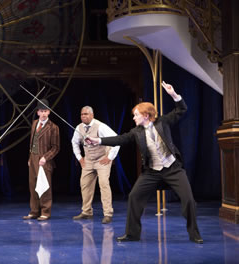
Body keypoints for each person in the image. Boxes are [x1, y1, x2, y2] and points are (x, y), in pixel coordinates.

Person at [86, 81, 203, 244]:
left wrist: (174, 95)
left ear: (146, 115)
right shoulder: (136, 132)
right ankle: (132, 234)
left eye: (136, 115)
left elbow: (181, 109)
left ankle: (194, 234)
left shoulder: (163, 122)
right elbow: (121, 139)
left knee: (189, 200)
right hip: (152, 172)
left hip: (172, 169)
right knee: (134, 196)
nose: (133, 117)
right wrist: (98, 140)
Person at [71, 106, 120, 224]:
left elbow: (116, 140)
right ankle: (86, 212)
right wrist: (79, 158)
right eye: (82, 114)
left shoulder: (100, 126)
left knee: (103, 184)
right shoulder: (79, 127)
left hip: (102, 159)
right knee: (85, 184)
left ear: (92, 115)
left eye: (86, 114)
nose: (84, 116)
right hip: (88, 160)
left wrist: (110, 157)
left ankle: (108, 213)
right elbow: (74, 142)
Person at [23, 99, 60, 221]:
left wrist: (45, 157)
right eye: (41, 111)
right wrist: (30, 158)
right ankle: (34, 211)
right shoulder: (34, 123)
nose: (43, 114)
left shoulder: (53, 127)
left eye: (46, 111)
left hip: (44, 160)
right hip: (33, 158)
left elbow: (56, 148)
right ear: (38, 112)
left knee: (44, 186)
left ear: (49, 112)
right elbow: (32, 142)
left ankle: (45, 211)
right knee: (33, 185)